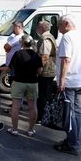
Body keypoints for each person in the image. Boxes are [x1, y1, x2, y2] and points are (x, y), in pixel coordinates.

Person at [0, 35, 42, 137]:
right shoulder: (36, 55)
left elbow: (10, 68)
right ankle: (30, 130)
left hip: (18, 82)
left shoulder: (17, 54)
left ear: (22, 43)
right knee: (33, 107)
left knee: (16, 106)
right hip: (32, 83)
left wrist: (0, 69)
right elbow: (39, 71)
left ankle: (14, 130)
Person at [53, 14, 81, 156]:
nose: (58, 28)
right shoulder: (79, 35)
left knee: (69, 114)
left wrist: (62, 80)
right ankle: (74, 140)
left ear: (66, 23)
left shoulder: (67, 37)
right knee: (77, 113)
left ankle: (72, 144)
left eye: (59, 25)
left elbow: (65, 60)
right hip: (79, 80)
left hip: (69, 81)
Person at [36, 21, 57, 123]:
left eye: (38, 26)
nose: (37, 28)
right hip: (49, 70)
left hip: (46, 71)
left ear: (43, 27)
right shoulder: (49, 36)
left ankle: (41, 118)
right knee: (45, 95)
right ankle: (45, 116)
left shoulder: (45, 39)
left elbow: (44, 56)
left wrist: (39, 69)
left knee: (43, 96)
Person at [3, 21, 25, 113]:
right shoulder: (18, 37)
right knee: (16, 86)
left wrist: (8, 48)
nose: (12, 29)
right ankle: (17, 104)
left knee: (15, 86)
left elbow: (6, 46)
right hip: (16, 65)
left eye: (14, 27)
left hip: (15, 66)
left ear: (19, 27)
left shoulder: (18, 38)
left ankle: (16, 106)